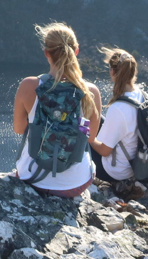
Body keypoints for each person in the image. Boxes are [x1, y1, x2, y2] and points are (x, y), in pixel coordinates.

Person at [13, 22, 101, 197]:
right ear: (76, 51)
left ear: (46, 53)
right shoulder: (90, 92)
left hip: (32, 178)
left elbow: (19, 129)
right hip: (75, 183)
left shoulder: (29, 85)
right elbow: (90, 137)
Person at [89, 47, 147, 200]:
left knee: (81, 132)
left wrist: (88, 138)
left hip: (117, 172)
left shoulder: (118, 108)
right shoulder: (140, 95)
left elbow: (104, 151)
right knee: (97, 117)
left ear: (113, 73)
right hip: (137, 163)